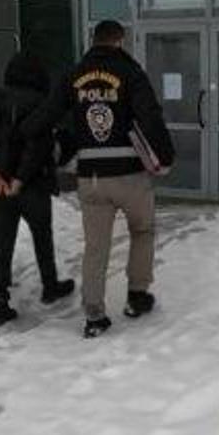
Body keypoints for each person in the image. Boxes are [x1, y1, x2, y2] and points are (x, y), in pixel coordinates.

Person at [22, 20, 174, 338]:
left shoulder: (74, 75)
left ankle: (94, 315)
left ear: (94, 41)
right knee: (142, 230)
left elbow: (48, 114)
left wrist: (22, 132)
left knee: (96, 247)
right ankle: (137, 296)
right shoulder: (130, 73)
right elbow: (150, 116)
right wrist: (165, 156)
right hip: (130, 173)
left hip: (91, 177)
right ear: (119, 41)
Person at [0, 51, 77, 326]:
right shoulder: (41, 103)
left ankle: (0, 301)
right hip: (33, 182)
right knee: (42, 236)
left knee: (2, 242)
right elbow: (40, 145)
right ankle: (50, 286)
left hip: (0, 183)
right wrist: (21, 178)